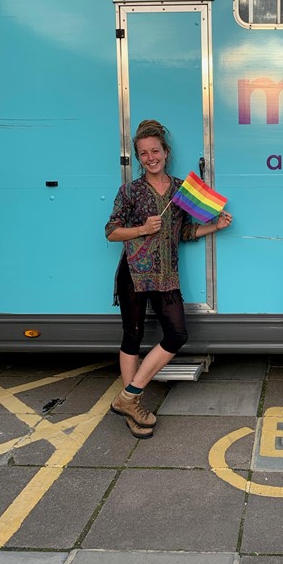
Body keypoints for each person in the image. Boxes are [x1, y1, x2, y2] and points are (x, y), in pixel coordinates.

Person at [105, 119, 232, 439]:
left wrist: (215, 226)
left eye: (155, 151)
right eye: (144, 153)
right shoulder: (130, 191)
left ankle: (128, 397)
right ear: (138, 158)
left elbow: (185, 231)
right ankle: (134, 406)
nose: (150, 157)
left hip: (166, 275)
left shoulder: (179, 191)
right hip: (133, 273)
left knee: (176, 334)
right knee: (131, 338)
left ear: (166, 152)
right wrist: (142, 230)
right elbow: (111, 232)